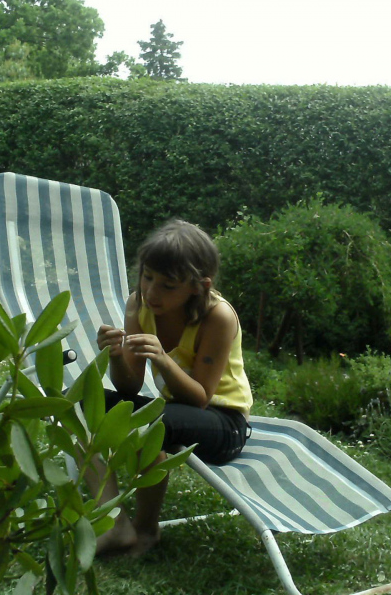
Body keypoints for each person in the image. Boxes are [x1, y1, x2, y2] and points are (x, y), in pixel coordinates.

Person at [91, 219, 253, 556]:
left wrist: (163, 360)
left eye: (168, 286)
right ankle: (114, 521)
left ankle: (147, 529)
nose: (152, 292)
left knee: (146, 422)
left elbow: (201, 398)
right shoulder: (139, 304)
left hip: (224, 423)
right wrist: (116, 355)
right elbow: (130, 385)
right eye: (147, 277)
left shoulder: (217, 316)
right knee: (84, 405)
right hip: (175, 412)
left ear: (198, 286)